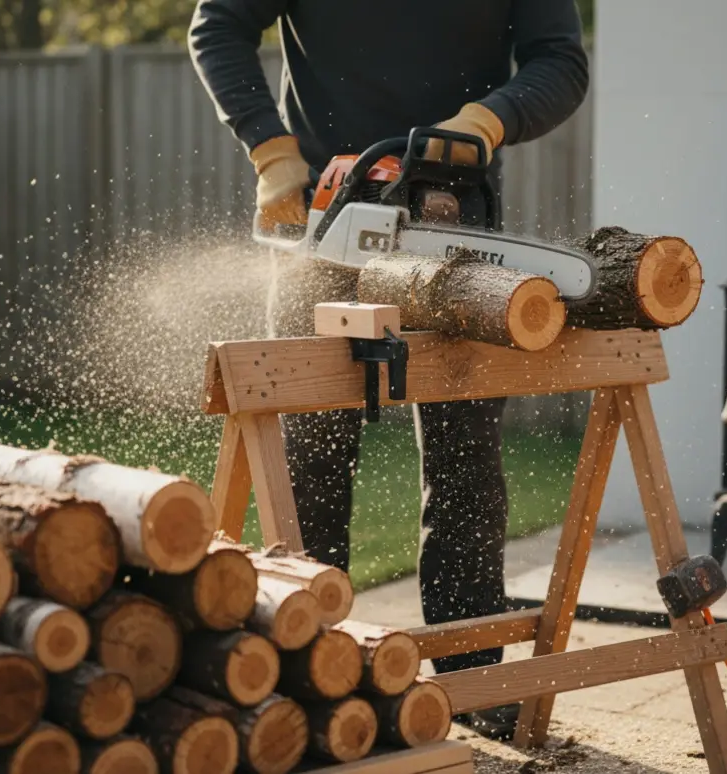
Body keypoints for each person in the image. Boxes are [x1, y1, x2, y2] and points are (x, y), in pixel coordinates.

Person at [190, 0, 588, 740]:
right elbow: (219, 24)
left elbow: (560, 62)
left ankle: (473, 681)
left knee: (466, 455)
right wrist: (271, 149)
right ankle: (310, 676)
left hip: (456, 218)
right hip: (325, 212)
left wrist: (486, 121)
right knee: (312, 454)